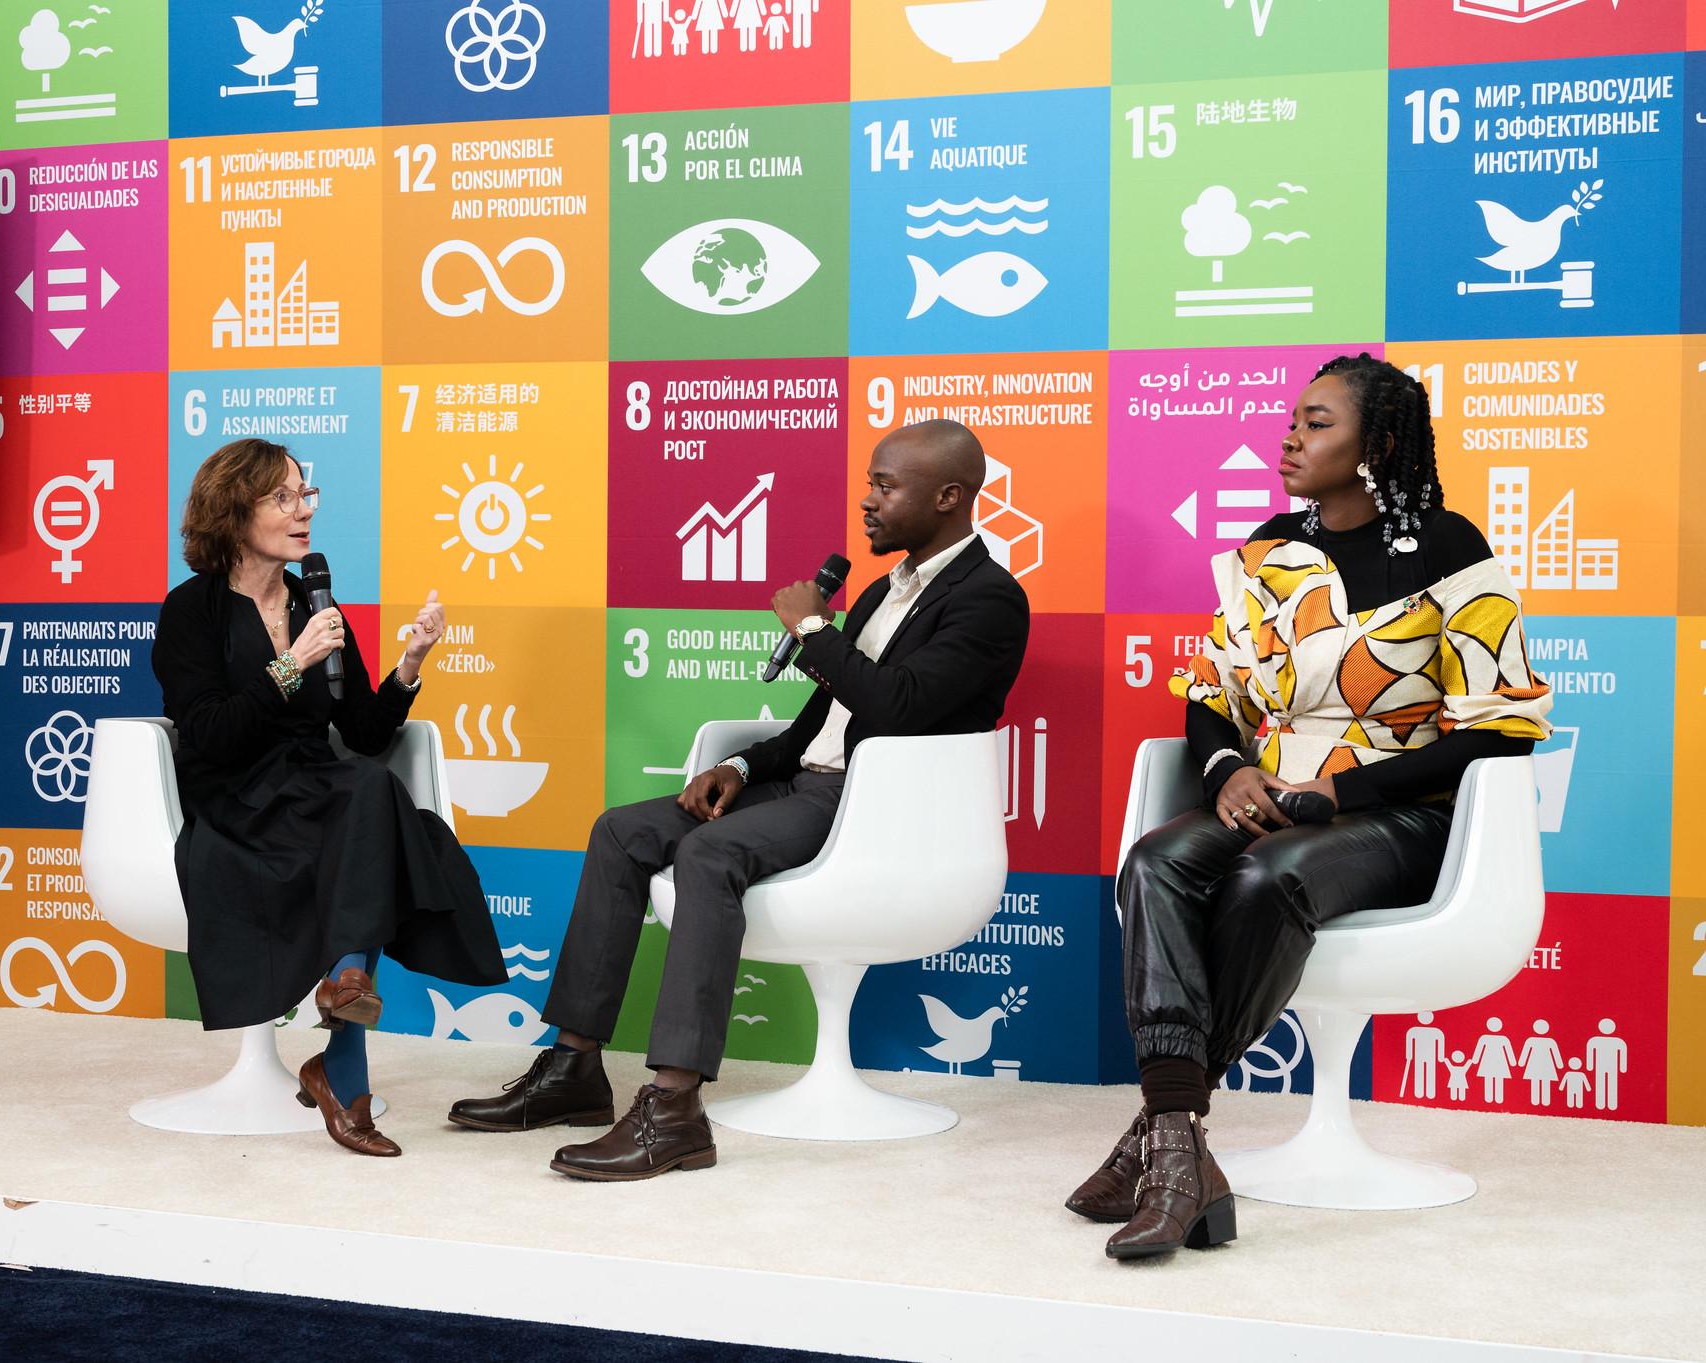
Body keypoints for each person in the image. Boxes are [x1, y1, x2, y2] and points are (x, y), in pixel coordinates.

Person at [448, 419, 1030, 1180]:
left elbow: (899, 708)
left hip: (876, 804)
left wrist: (816, 631)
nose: (867, 501)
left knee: (710, 851)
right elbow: (821, 722)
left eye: (886, 486)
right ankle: (574, 1068)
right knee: (621, 832)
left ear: (949, 496)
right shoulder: (885, 591)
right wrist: (745, 769)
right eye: (870, 484)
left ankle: (674, 1110)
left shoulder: (991, 598)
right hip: (808, 784)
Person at [1076, 354, 1551, 1259]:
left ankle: (1160, 1132)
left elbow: (1503, 727)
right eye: (1294, 418)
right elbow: (1210, 688)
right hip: (1275, 798)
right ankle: (1183, 1150)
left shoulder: (1453, 550)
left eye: (1318, 422)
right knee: (1154, 861)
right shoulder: (1268, 548)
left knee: (1266, 878)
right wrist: (1226, 770)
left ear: (1378, 444)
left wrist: (1343, 788)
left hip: (1402, 811)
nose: (1291, 435)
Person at [153, 439, 507, 1157]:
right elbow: (212, 733)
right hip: (237, 798)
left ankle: (345, 1004)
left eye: (304, 495)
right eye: (281, 497)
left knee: (370, 791)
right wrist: (291, 665)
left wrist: (411, 662)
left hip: (319, 786)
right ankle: (344, 1066)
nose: (302, 511)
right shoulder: (191, 611)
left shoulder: (315, 599)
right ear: (233, 508)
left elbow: (365, 732)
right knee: (375, 813)